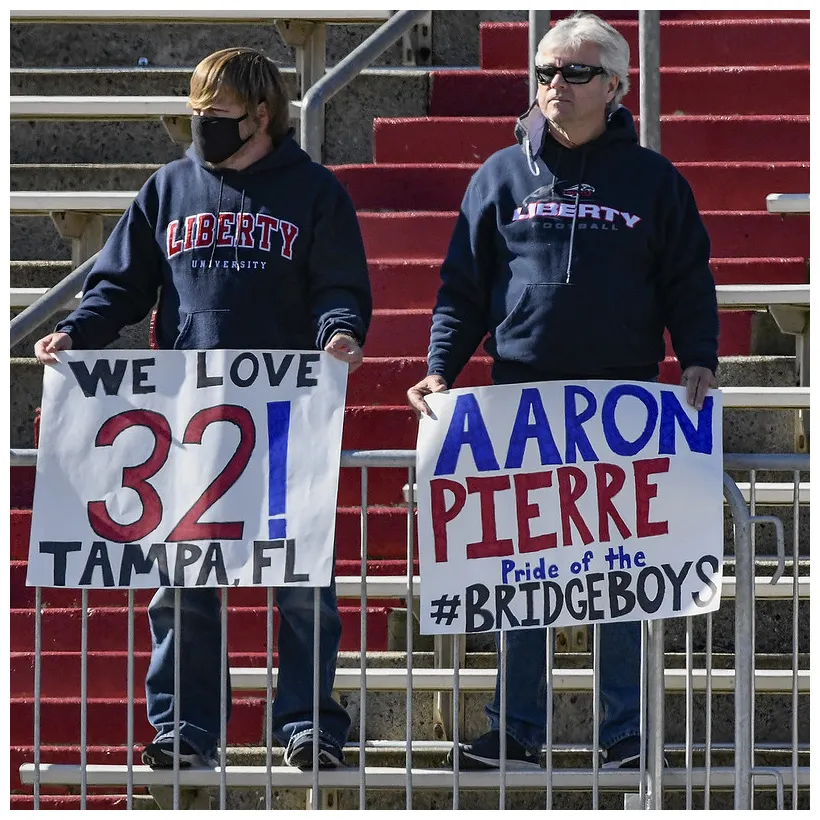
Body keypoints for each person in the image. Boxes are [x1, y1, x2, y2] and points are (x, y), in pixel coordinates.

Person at [34, 47, 372, 771]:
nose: (202, 126)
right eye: (196, 112)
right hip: (187, 414)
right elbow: (120, 285)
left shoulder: (314, 193)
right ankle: (185, 727)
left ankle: (309, 724)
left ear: (260, 115)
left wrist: (339, 335)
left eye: (216, 115)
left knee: (303, 579)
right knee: (182, 580)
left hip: (287, 416)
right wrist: (78, 333)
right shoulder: (168, 188)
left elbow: (337, 286)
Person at [407, 12, 718, 771]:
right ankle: (514, 730)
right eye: (545, 72)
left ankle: (623, 735)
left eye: (574, 73)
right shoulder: (499, 175)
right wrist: (441, 368)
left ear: (615, 85)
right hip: (519, 402)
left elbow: (688, 281)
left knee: (615, 577)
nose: (555, 86)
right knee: (521, 578)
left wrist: (700, 359)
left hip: (622, 407)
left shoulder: (654, 179)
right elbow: (462, 288)